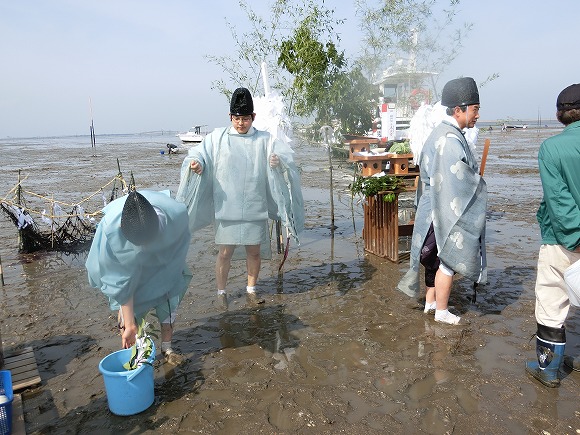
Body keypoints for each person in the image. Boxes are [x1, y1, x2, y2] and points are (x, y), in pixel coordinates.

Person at [176, 87, 303, 307]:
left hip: (256, 205)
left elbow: (285, 157)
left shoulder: (265, 139)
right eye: (237, 118)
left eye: (245, 118)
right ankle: (221, 292)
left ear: (253, 117)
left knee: (254, 251)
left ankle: (251, 289)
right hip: (227, 206)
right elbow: (198, 154)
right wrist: (197, 165)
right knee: (225, 252)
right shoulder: (217, 138)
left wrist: (277, 162)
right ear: (230, 117)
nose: (241, 123)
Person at [397, 77, 488, 325]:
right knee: (447, 260)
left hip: (432, 207)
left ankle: (431, 303)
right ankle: (442, 311)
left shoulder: (441, 132)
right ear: (458, 110)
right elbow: (456, 180)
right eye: (475, 109)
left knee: (433, 258)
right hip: (441, 208)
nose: (478, 115)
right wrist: (477, 182)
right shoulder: (449, 139)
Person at [86, 189, 192, 364]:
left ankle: (167, 348)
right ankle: (134, 350)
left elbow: (180, 247)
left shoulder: (176, 215)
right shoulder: (111, 232)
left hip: (165, 263)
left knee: (168, 299)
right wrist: (129, 325)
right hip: (128, 267)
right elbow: (120, 282)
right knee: (130, 315)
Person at [525, 83, 580, 387]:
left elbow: (559, 201)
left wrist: (575, 236)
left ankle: (548, 369)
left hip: (564, 239)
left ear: (560, 114)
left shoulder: (552, 148)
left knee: (551, 298)